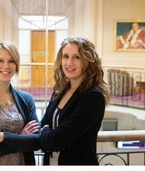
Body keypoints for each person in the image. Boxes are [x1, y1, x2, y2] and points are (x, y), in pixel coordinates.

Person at [40, 36, 111, 165]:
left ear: (87, 61)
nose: (69, 63)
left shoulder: (93, 97)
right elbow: (44, 129)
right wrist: (47, 134)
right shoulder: (60, 90)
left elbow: (57, 140)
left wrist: (45, 132)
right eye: (65, 56)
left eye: (77, 57)